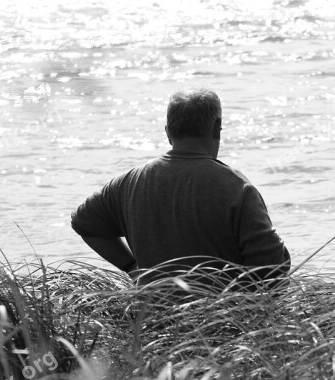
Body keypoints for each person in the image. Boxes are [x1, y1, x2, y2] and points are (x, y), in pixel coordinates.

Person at [70, 88, 290, 293]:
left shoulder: (128, 183)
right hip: (222, 323)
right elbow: (271, 269)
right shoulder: (236, 187)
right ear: (217, 127)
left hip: (152, 322)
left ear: (168, 132)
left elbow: (84, 223)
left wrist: (133, 268)